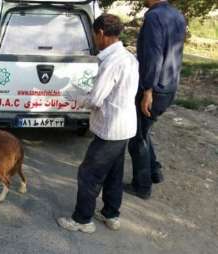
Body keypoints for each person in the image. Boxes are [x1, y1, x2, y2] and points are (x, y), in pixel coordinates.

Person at [57, 14, 139, 233]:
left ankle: (82, 220)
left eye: (94, 35)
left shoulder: (112, 62)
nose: (94, 39)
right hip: (125, 126)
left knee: (89, 174)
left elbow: (95, 100)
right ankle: (110, 214)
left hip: (110, 129)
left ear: (101, 33)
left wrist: (73, 98)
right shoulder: (129, 57)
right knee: (114, 173)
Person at [126, 0, 187, 200]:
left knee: (137, 138)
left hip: (155, 89)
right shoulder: (176, 15)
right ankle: (154, 171)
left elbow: (153, 55)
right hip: (169, 86)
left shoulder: (153, 16)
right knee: (145, 130)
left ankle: (141, 187)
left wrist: (147, 90)